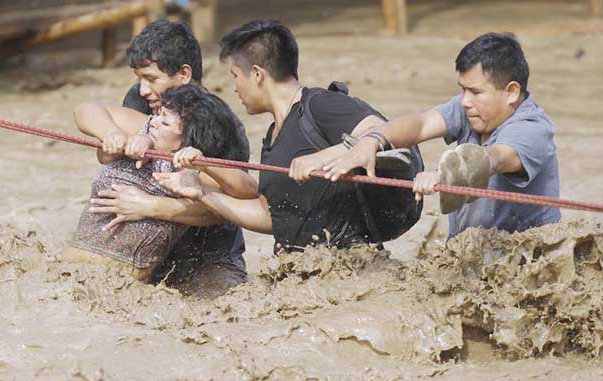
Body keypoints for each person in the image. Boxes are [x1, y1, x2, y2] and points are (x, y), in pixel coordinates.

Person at [159, 19, 420, 252]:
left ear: (258, 74)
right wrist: (203, 193)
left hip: (352, 271)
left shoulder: (321, 105)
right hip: (302, 274)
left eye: (235, 76)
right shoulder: (274, 136)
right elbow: (270, 216)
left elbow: (379, 131)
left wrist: (323, 157)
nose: (234, 88)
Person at [65, 20, 257, 295]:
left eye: (151, 79)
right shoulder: (147, 100)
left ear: (183, 74)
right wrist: (112, 136)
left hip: (208, 258)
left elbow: (232, 207)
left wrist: (149, 206)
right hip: (150, 258)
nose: (142, 89)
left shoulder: (221, 125)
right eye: (138, 78)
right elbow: (98, 131)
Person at [319, 32, 560, 238]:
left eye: (475, 91)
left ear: (511, 92)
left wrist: (445, 175)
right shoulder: (471, 108)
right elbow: (421, 123)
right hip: (473, 253)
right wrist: (372, 140)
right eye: (462, 89)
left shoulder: (532, 129)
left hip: (524, 263)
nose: (465, 101)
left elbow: (494, 159)